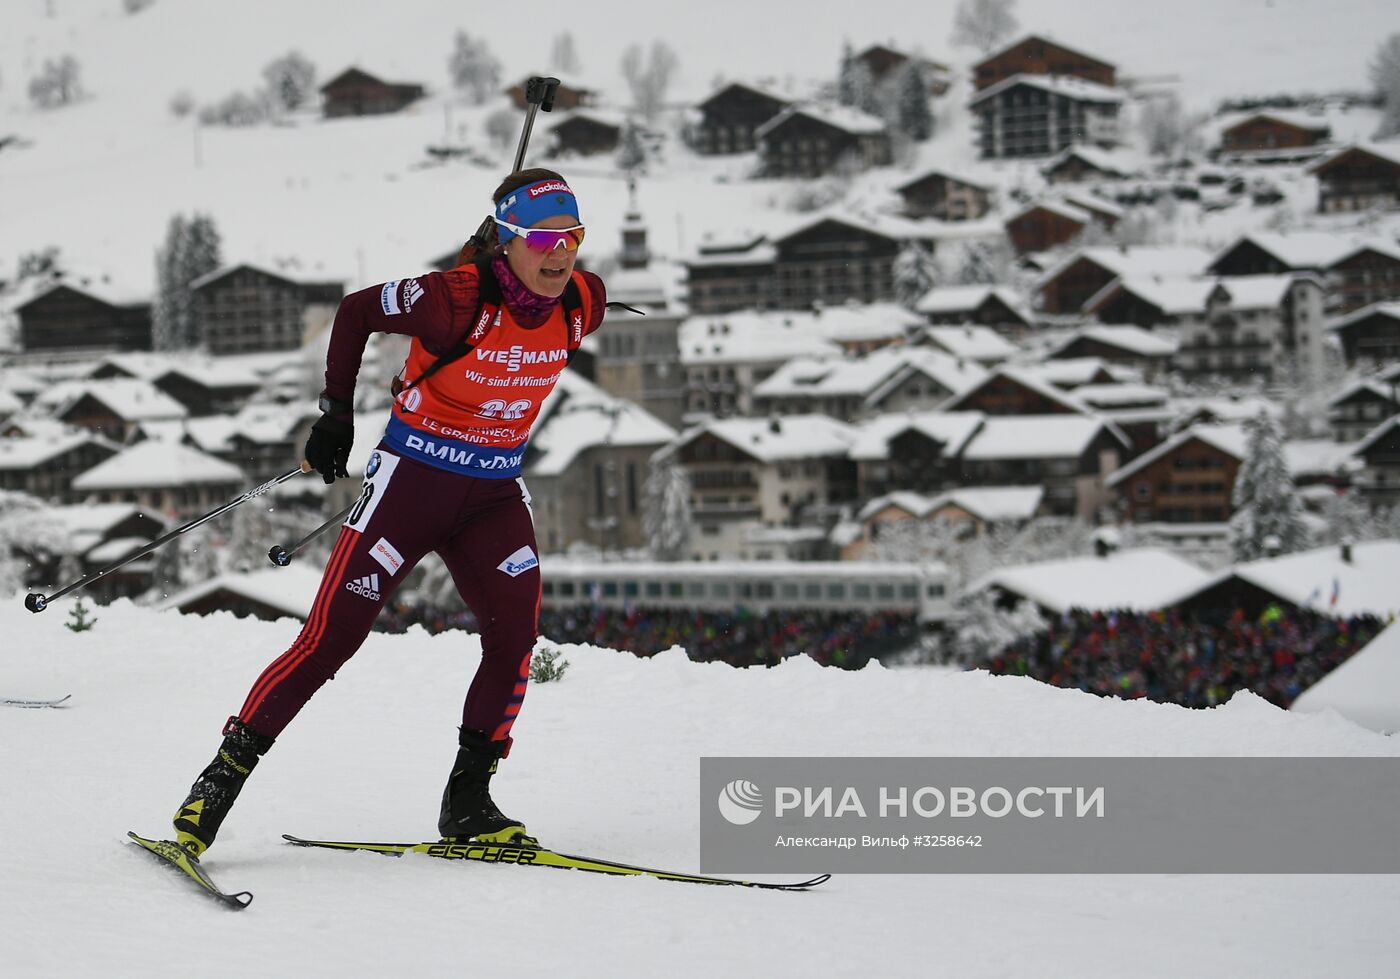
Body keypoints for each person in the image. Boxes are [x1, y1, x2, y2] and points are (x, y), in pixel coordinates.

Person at [170, 168, 606, 856]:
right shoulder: (453, 298)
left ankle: (469, 803)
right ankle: (215, 785)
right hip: (411, 488)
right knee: (331, 639)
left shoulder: (584, 301)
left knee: (515, 637)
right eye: (543, 238)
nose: (561, 253)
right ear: (506, 239)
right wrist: (335, 414)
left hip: (493, 494)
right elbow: (355, 311)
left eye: (572, 236)